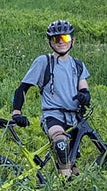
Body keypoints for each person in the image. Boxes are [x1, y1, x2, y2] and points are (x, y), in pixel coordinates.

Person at [10, 20, 91, 177]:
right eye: (56, 39)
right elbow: (22, 89)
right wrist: (16, 112)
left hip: (74, 118)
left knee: (73, 165)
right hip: (53, 115)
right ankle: (63, 181)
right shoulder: (44, 62)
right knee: (60, 142)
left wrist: (85, 95)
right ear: (50, 42)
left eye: (65, 38)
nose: (61, 42)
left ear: (73, 41)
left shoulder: (78, 65)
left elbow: (84, 87)